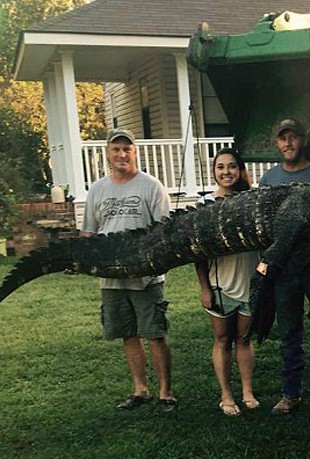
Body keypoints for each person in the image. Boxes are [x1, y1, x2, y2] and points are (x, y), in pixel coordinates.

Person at [81, 128, 176, 412]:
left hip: (146, 277)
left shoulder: (152, 186)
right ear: (108, 153)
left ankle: (166, 393)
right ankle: (140, 390)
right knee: (128, 333)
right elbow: (89, 235)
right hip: (111, 278)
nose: (122, 154)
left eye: (127, 149)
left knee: (155, 334)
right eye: (116, 149)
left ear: (135, 152)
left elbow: (164, 232)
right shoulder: (97, 190)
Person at [258, 118, 310, 418]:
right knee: (289, 334)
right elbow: (264, 225)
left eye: (293, 137)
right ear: (277, 143)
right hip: (285, 270)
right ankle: (290, 394)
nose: (288, 143)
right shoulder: (268, 179)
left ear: (302, 141)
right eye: (283, 138)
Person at [195, 147, 260, 416]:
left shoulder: (253, 200)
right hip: (219, 285)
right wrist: (204, 287)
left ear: (240, 170)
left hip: (249, 282)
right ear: (214, 172)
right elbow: (196, 253)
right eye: (221, 167)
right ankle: (226, 394)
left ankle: (247, 391)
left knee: (244, 339)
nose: (226, 172)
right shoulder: (205, 205)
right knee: (222, 339)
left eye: (232, 166)